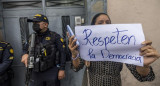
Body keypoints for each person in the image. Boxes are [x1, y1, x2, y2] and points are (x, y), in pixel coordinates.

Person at [67, 13, 160, 86]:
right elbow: (77, 67)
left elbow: (140, 74)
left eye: (108, 22)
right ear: (93, 26)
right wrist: (75, 54)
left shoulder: (121, 44)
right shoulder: (86, 45)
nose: (104, 25)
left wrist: (144, 65)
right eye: (100, 22)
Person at [21, 14, 66, 86]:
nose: (34, 25)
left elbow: (62, 52)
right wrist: (24, 54)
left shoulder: (55, 36)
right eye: (33, 23)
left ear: (45, 24)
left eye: (37, 23)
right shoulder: (31, 37)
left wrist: (62, 69)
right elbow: (25, 49)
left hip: (51, 71)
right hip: (35, 72)